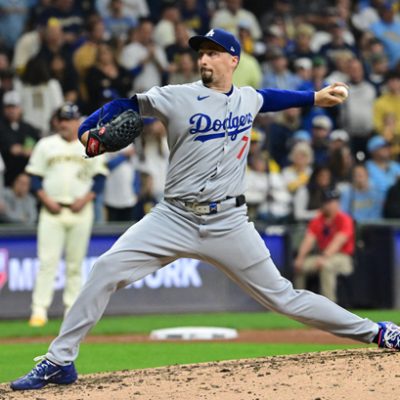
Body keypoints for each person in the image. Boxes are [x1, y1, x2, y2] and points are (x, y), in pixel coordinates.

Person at [10, 28, 400, 392]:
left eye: (213, 53)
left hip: (229, 222)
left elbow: (271, 97)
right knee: (105, 270)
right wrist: (87, 130)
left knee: (284, 297)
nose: (204, 59)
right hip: (173, 217)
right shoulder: (176, 96)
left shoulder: (248, 98)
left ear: (233, 60)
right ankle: (60, 360)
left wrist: (313, 97)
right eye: (201, 53)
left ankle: (377, 332)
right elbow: (124, 104)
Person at [24, 103, 108, 328]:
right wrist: (46, 200)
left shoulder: (89, 143)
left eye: (69, 119)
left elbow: (100, 178)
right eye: (61, 119)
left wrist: (85, 199)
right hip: (52, 210)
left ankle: (71, 311)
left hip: (80, 210)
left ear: (77, 121)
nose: (64, 124)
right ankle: (39, 311)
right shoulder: (46, 145)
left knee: (74, 264)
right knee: (47, 263)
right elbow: (34, 178)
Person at [293, 189, 354, 303]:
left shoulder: (344, 219)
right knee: (300, 266)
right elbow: (308, 240)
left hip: (343, 257)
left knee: (326, 266)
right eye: (327, 202)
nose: (329, 205)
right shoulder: (318, 220)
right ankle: (297, 304)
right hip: (322, 256)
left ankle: (330, 305)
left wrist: (324, 257)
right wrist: (300, 258)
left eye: (332, 201)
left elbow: (338, 241)